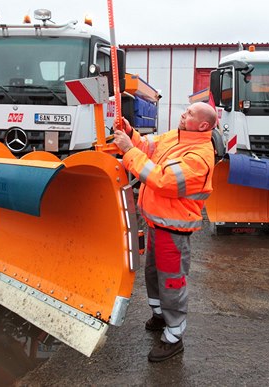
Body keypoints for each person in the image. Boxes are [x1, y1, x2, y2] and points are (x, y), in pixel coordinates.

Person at [113, 102, 217, 362]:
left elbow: (162, 180)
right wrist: (131, 133)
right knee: (153, 275)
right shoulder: (177, 136)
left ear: (203, 125)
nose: (184, 114)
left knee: (171, 282)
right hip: (157, 225)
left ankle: (173, 336)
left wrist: (127, 150)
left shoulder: (200, 156)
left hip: (174, 230)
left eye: (190, 113)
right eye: (186, 110)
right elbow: (149, 147)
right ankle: (160, 315)